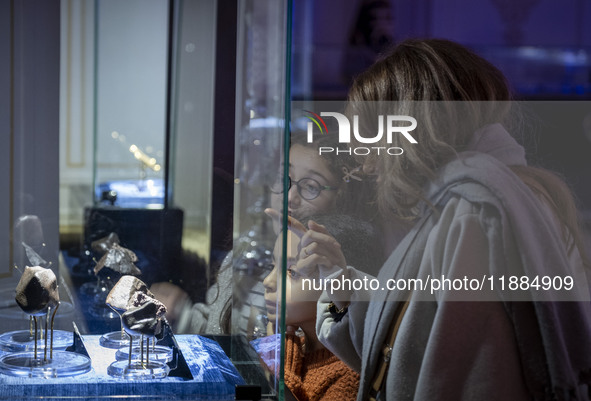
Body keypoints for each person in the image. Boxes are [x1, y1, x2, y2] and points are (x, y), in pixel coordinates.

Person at [289, 39, 591, 400]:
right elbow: (418, 329)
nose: (367, 163)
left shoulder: (475, 206)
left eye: (370, 138)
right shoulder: (485, 196)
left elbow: (455, 372)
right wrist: (342, 282)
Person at [151, 130, 378, 337]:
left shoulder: (341, 280)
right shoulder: (249, 253)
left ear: (343, 200)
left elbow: (350, 338)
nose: (289, 197)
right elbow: (217, 327)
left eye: (312, 186)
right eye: (283, 179)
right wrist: (179, 312)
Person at [254, 214, 383, 401]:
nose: (268, 281)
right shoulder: (296, 349)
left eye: (292, 272)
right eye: (272, 266)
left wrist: (279, 371)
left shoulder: (348, 374)